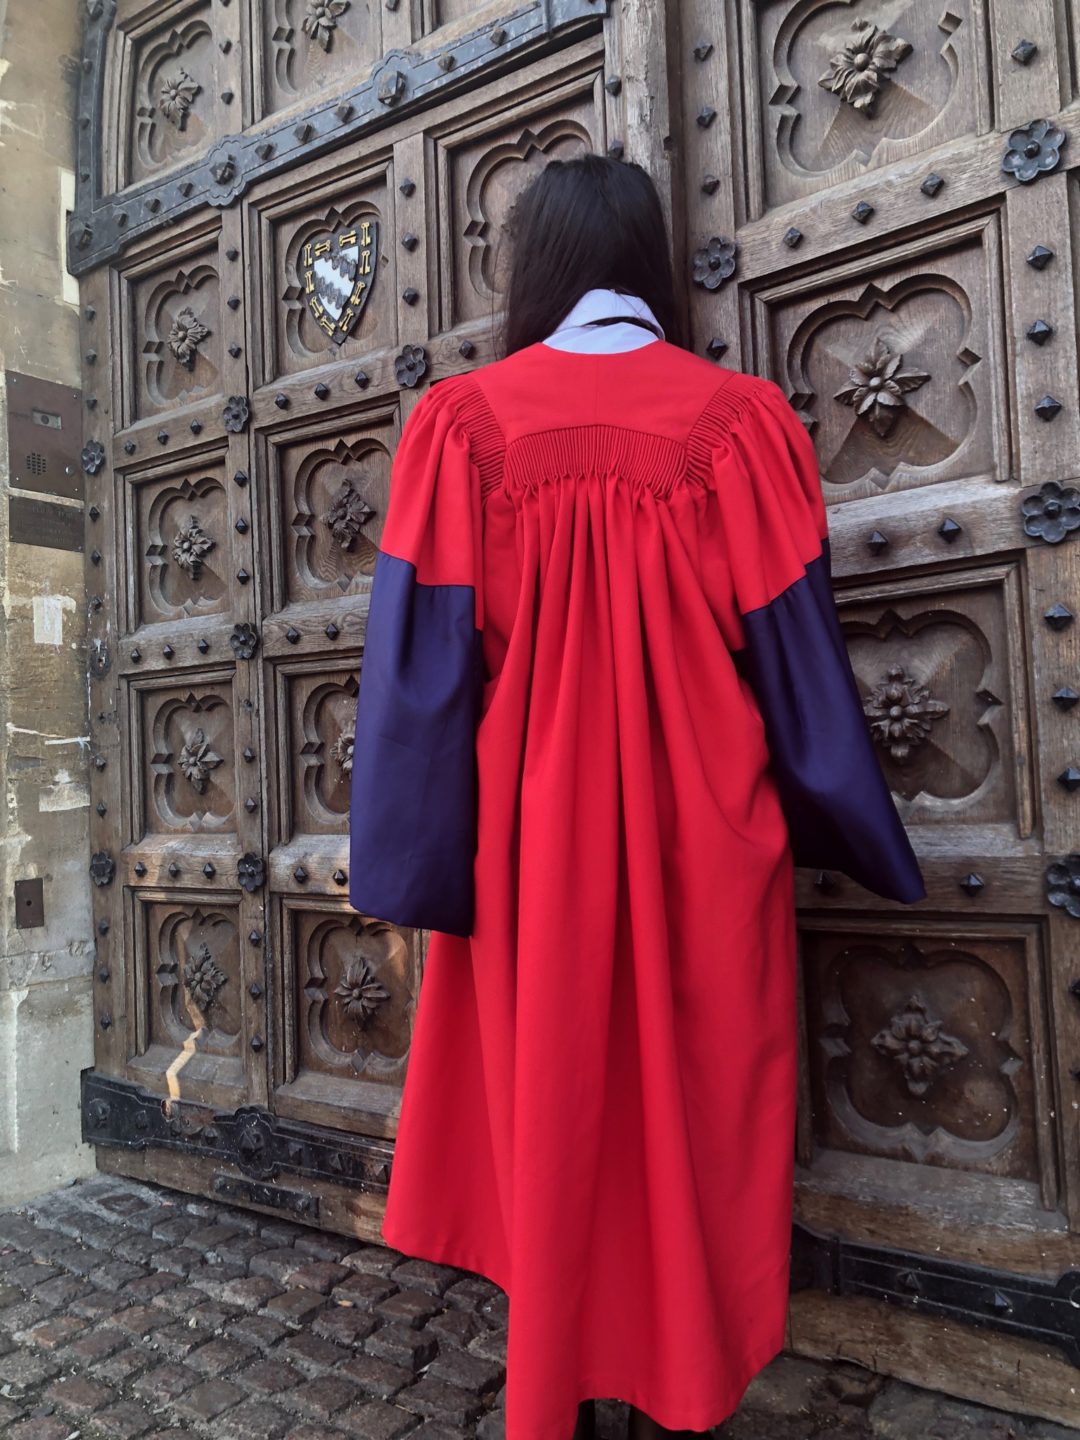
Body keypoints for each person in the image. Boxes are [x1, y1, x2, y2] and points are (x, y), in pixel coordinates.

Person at [347, 153, 925, 1440]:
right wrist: (846, 822)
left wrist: (406, 861)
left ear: (534, 267)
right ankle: (676, 1381)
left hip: (529, 840)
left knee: (550, 1107)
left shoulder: (461, 427)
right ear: (652, 260)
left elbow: (421, 678)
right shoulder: (743, 425)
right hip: (700, 830)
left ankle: (566, 1385)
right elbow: (797, 656)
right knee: (695, 1107)